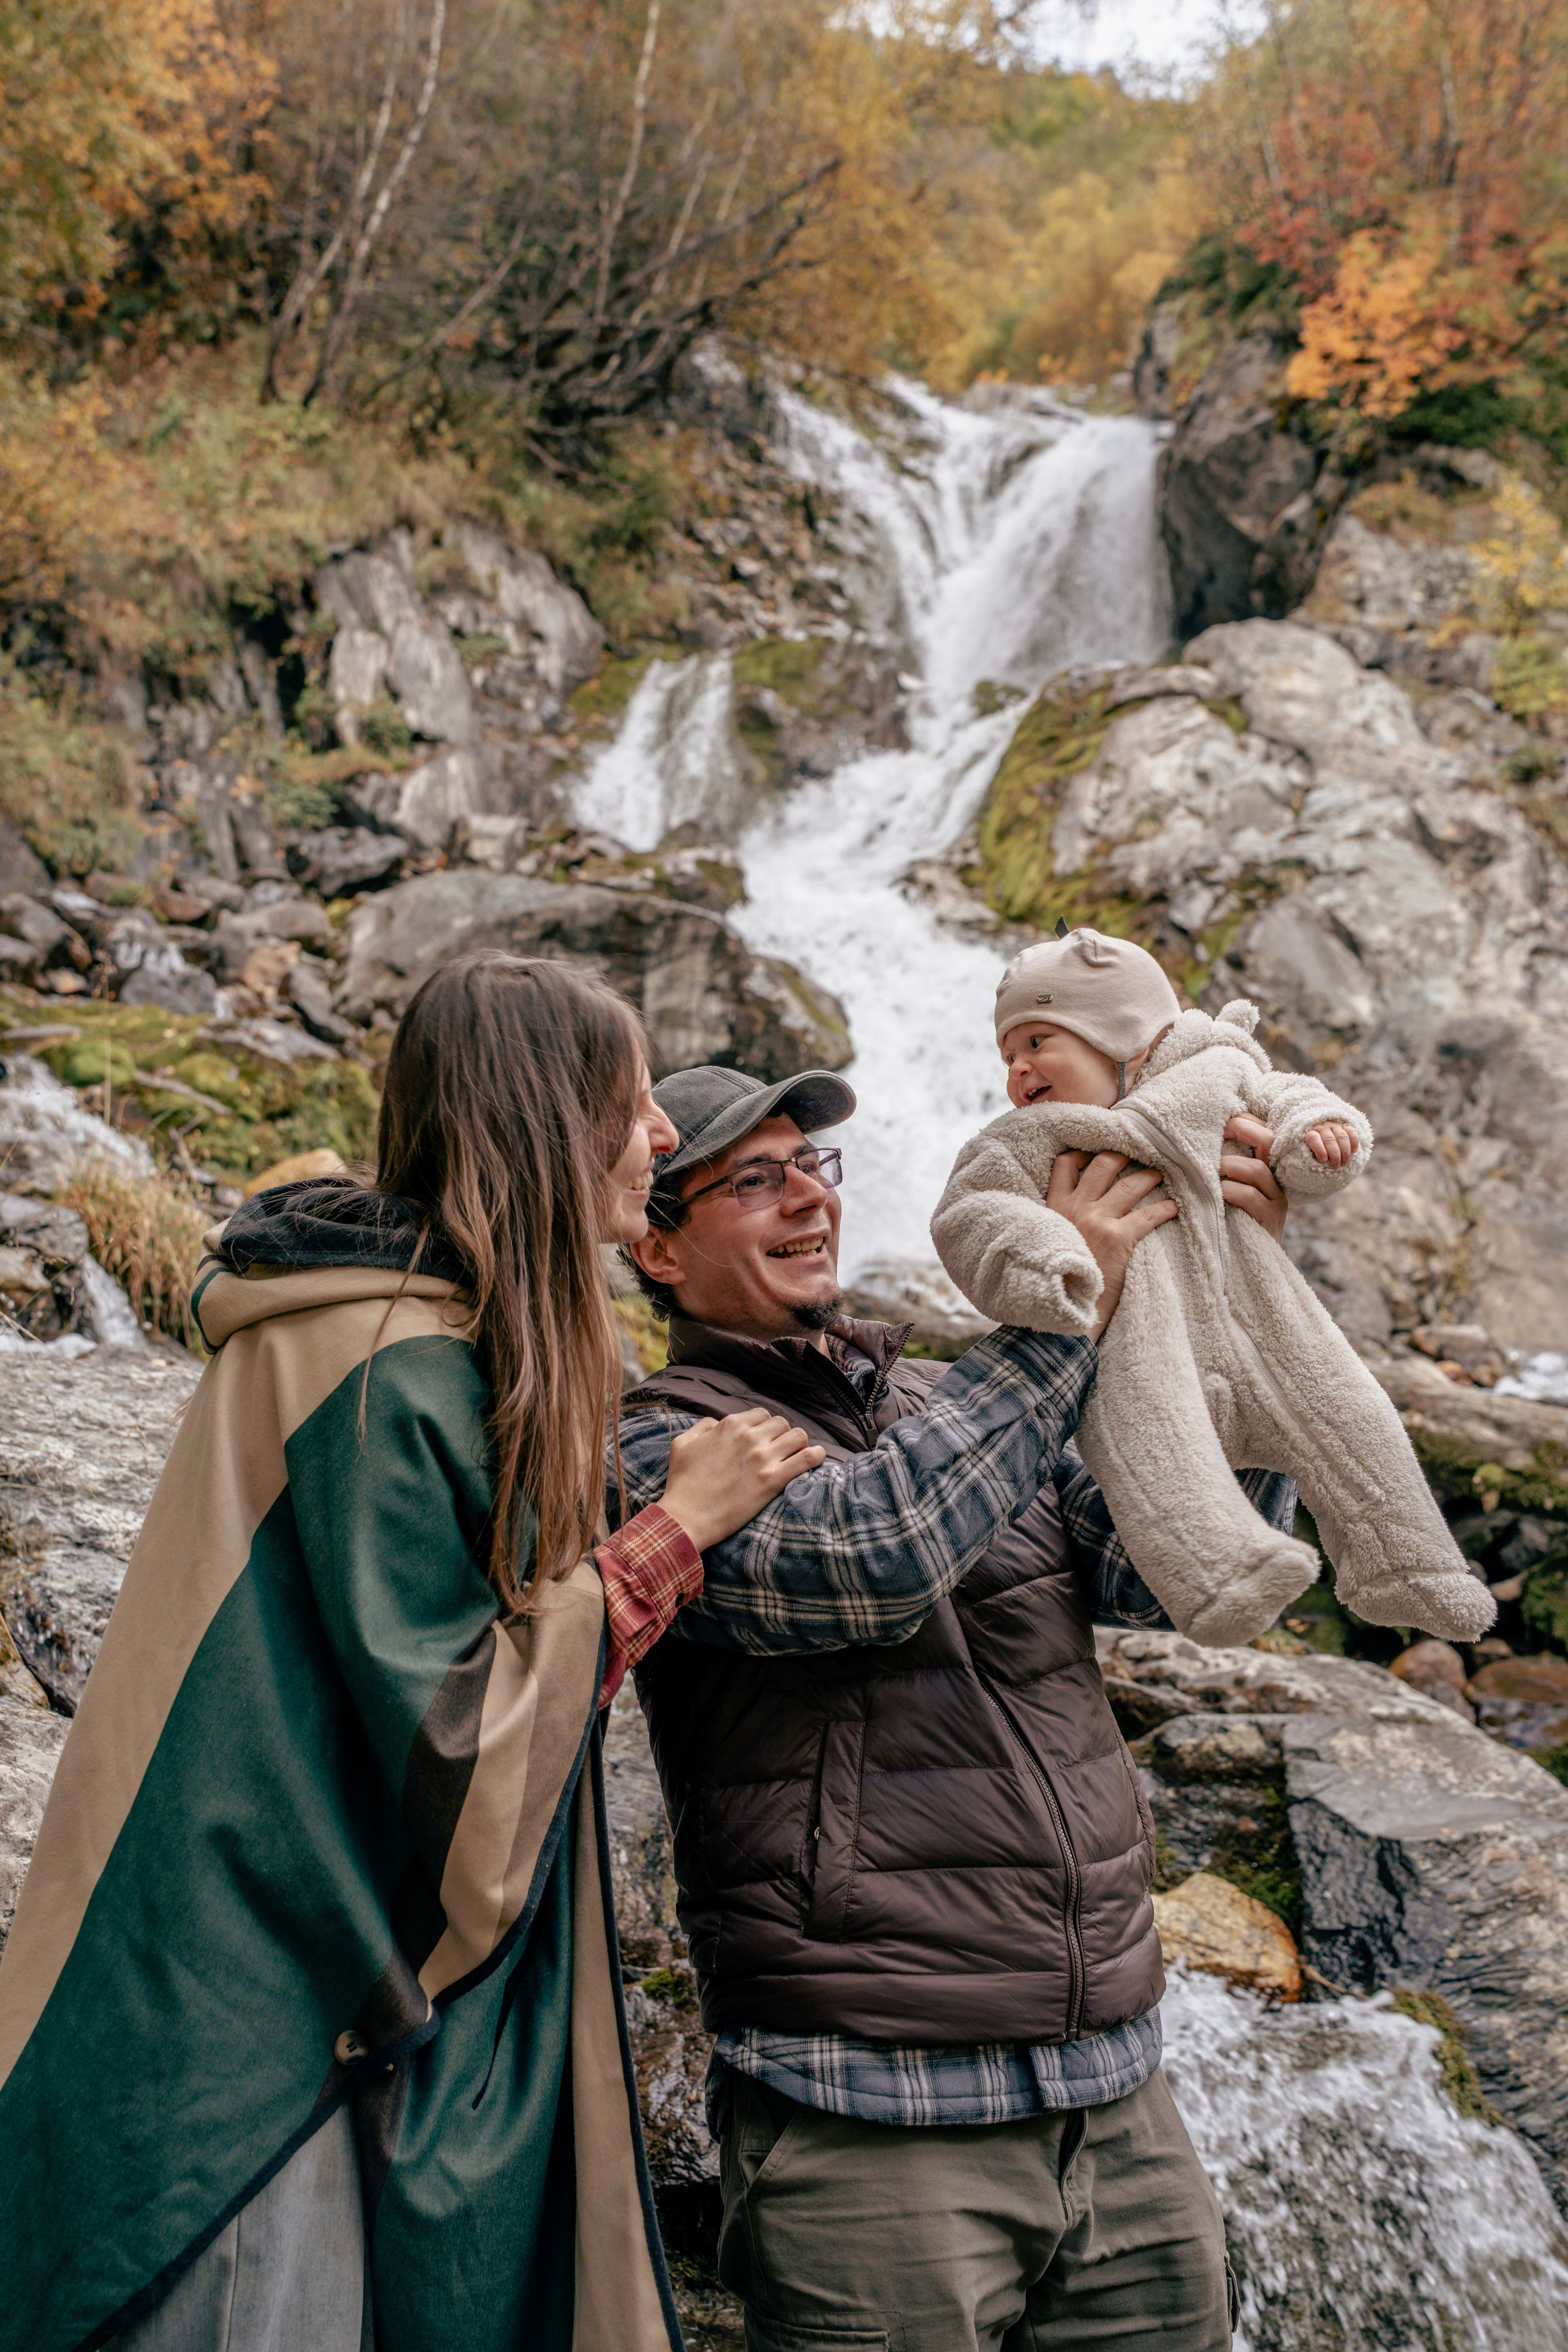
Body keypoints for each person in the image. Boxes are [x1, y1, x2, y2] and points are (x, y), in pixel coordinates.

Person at [0, 954, 825, 2352]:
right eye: (632, 1101)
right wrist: (672, 1534)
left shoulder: (380, 1326)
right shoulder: (388, 1359)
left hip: (251, 1976)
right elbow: (456, 1742)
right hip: (247, 2048)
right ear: (547, 1123)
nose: (662, 1131)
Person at [612, 1061, 1302, 2352]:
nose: (807, 1199)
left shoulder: (949, 1401)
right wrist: (1055, 1320)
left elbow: (1174, 1571)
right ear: (655, 1246)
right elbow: (873, 1557)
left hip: (1115, 2096)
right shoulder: (657, 1451)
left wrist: (1234, 1275)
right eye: (754, 1180)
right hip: (866, 2117)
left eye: (811, 1167)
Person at [933, 926, 1491, 1647]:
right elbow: (972, 1215)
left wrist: (1318, 1139)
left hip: (1265, 1313)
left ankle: (1414, 1568)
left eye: (1037, 1041)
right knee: (1155, 1453)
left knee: (1352, 1415)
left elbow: (1294, 1102)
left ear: (1122, 1036)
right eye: (1007, 1056)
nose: (1018, 1069)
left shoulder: (1220, 1068)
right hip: (1141, 1340)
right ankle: (1221, 1582)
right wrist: (1051, 1260)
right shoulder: (1029, 1139)